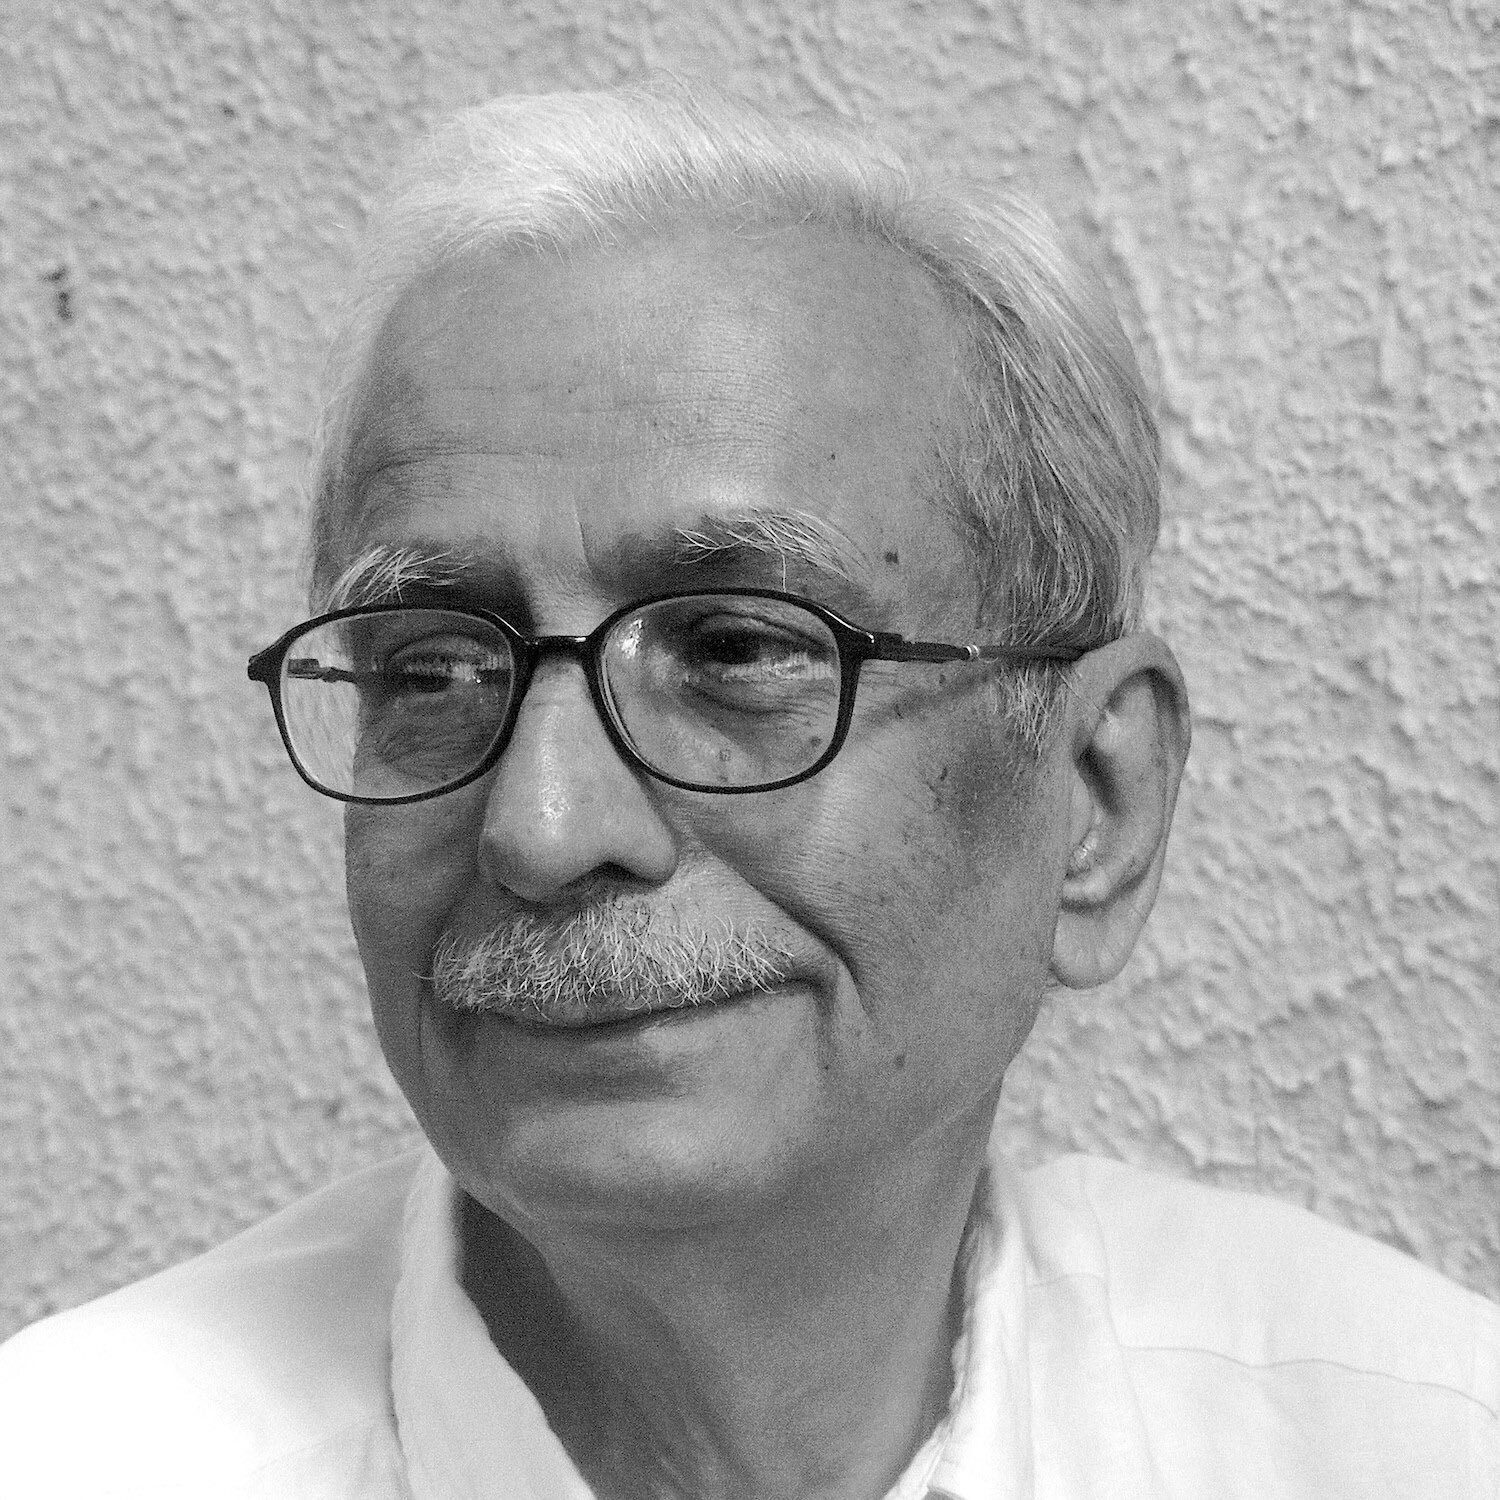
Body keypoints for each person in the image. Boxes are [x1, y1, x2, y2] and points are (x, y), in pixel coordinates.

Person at [1, 82, 1495, 1500]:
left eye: (736, 651)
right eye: (436, 670)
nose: (543, 827)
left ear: (1096, 806)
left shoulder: (1408, 1444)